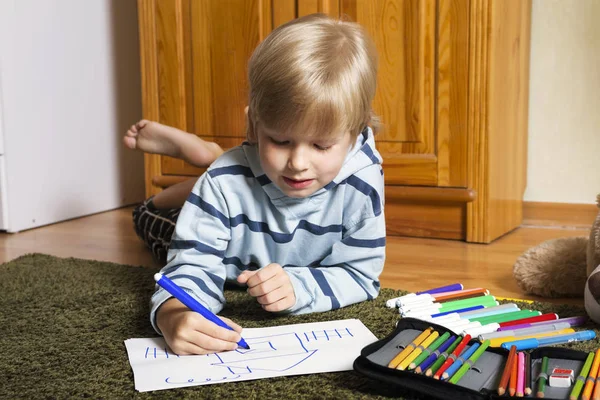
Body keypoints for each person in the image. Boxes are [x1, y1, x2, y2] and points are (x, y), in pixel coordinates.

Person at [125, 13, 386, 355]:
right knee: (145, 218)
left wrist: (299, 286)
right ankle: (208, 166)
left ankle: (213, 157)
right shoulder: (223, 184)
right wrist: (174, 313)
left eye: (321, 146)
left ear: (354, 134)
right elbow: (190, 264)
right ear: (253, 125)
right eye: (280, 141)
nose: (298, 163)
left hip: (245, 175)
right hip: (226, 202)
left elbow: (360, 275)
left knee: (234, 170)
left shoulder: (362, 184)